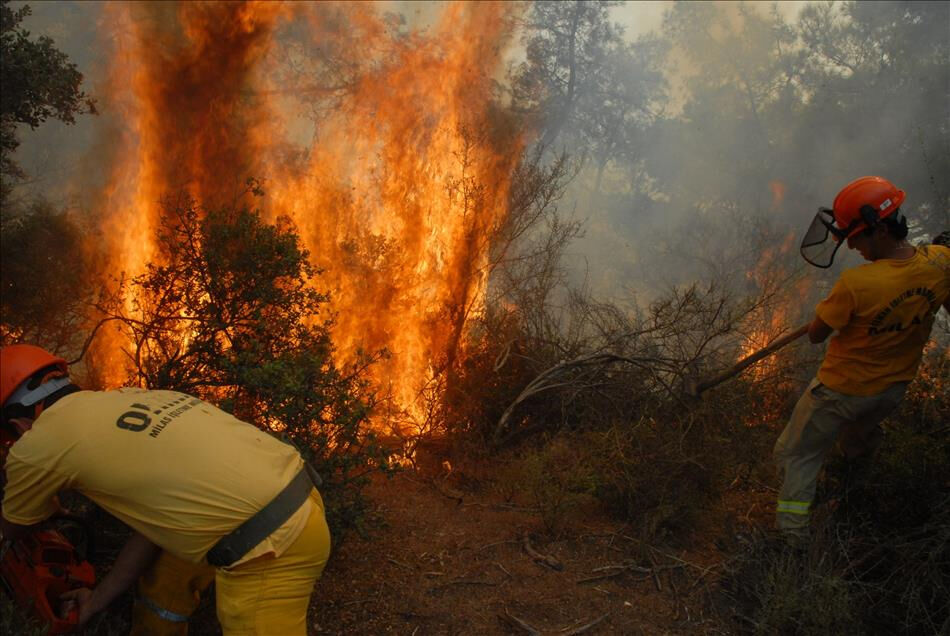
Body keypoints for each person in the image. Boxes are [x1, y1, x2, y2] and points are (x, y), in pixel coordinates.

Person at [0, 344, 331, 635]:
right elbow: (153, 529)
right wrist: (96, 602)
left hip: (269, 547)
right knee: (163, 588)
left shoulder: (36, 444)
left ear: (17, 426)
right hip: (297, 498)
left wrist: (43, 504)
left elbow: (13, 529)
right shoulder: (126, 397)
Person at [774, 176, 950, 539]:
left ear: (881, 230)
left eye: (855, 237)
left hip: (839, 392)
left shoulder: (857, 284)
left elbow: (817, 335)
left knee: (798, 454)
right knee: (858, 444)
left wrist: (824, 314)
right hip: (891, 389)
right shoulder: (940, 262)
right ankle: (852, 505)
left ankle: (791, 540)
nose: (852, 246)